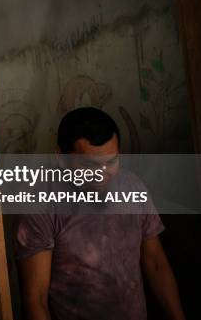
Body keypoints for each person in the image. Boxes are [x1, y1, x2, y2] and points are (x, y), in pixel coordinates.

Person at [16, 107, 185, 320]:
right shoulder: (41, 203)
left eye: (112, 162)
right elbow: (35, 300)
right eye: (90, 165)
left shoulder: (132, 186)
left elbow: (156, 263)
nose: (102, 174)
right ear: (61, 158)